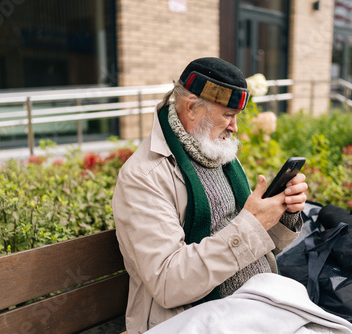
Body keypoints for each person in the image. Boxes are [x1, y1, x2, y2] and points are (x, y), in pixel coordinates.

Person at [112, 57, 308, 334]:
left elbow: (255, 244)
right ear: (191, 108)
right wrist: (252, 225)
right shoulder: (144, 177)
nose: (235, 127)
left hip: (257, 305)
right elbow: (169, 284)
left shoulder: (218, 152)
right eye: (228, 115)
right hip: (197, 320)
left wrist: (283, 212)